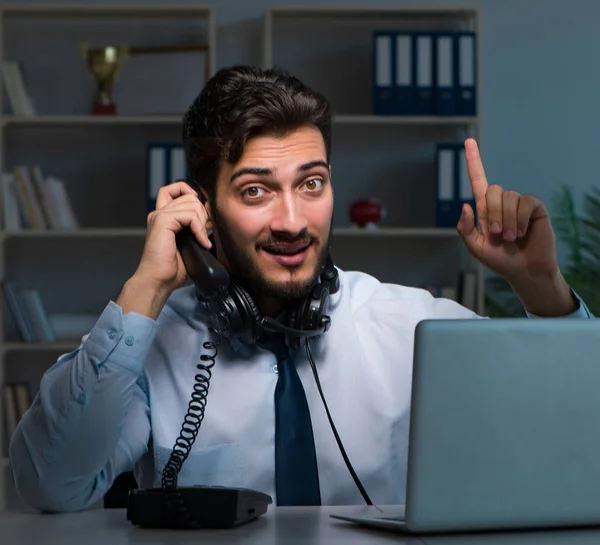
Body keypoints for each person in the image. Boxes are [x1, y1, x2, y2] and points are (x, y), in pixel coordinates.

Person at [9, 65, 594, 514]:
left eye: (311, 183)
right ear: (203, 210)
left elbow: (576, 432)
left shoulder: (413, 324)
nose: (293, 221)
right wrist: (146, 288)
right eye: (257, 191)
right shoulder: (151, 345)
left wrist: (540, 286)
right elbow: (50, 484)